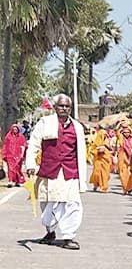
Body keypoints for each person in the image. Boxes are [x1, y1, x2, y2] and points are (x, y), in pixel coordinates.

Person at [24, 94, 87, 249]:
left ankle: (68, 237)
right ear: (55, 107)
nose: (64, 109)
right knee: (48, 203)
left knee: (72, 204)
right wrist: (30, 164)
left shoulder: (77, 127)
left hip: (69, 172)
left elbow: (81, 151)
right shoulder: (45, 123)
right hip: (49, 170)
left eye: (67, 106)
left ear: (70, 108)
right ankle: (50, 231)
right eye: (61, 106)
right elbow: (34, 144)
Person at [88, 127, 113, 192]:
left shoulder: (106, 142)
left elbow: (110, 149)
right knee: (96, 173)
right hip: (98, 160)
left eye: (105, 135)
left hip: (106, 160)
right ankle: (96, 184)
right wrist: (98, 151)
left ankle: (104, 187)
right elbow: (92, 150)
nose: (104, 136)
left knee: (105, 174)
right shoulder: (96, 142)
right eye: (103, 135)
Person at [116, 121, 132, 194]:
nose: (126, 134)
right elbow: (117, 131)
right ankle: (126, 188)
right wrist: (121, 124)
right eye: (125, 132)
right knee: (123, 172)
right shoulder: (121, 138)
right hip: (122, 157)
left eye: (128, 132)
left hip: (131, 157)